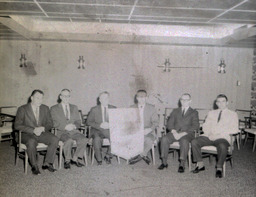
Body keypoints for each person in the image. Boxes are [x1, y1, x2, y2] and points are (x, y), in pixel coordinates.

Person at [191, 94, 239, 178]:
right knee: (194, 141)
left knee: (222, 146)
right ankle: (200, 164)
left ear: (227, 103)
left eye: (223, 101)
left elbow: (235, 129)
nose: (221, 104)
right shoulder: (211, 113)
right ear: (216, 103)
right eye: (219, 102)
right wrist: (209, 133)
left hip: (222, 137)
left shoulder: (233, 114)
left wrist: (219, 134)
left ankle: (219, 168)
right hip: (209, 136)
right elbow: (205, 126)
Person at [14, 89, 59, 175]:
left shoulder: (45, 108)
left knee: (54, 139)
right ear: (32, 98)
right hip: (26, 134)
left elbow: (50, 123)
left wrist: (43, 128)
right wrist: (33, 130)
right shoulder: (22, 109)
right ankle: (34, 165)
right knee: (31, 141)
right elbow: (17, 125)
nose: (40, 100)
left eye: (41, 98)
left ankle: (47, 163)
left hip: (41, 133)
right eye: (37, 98)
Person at [158, 93, 199, 172]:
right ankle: (164, 162)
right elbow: (169, 124)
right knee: (164, 139)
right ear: (180, 101)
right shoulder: (175, 111)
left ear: (190, 101)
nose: (184, 102)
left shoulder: (194, 112)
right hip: (175, 132)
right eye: (182, 100)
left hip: (187, 134)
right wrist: (174, 132)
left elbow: (195, 126)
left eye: (186, 100)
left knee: (184, 141)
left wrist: (182, 134)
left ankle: (182, 164)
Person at [50, 89, 88, 169]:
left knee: (84, 139)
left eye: (68, 96)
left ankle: (75, 158)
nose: (66, 98)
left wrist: (74, 126)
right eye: (64, 96)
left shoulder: (74, 107)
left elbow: (78, 121)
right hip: (61, 132)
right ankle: (67, 160)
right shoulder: (54, 108)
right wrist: (64, 126)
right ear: (60, 97)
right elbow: (52, 123)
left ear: (70, 97)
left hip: (74, 131)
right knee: (69, 141)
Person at [129, 90, 159, 165]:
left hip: (148, 131)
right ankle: (144, 155)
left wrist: (149, 129)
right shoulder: (131, 108)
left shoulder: (152, 108)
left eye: (144, 97)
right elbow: (128, 122)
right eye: (140, 97)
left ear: (146, 98)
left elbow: (156, 122)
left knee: (149, 140)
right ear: (136, 98)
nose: (142, 99)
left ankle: (140, 156)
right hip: (136, 131)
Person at [86, 91, 116, 165]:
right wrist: (100, 125)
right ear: (99, 100)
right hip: (97, 130)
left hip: (109, 130)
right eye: (103, 98)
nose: (105, 100)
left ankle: (108, 156)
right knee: (96, 139)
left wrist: (110, 125)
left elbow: (118, 121)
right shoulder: (94, 109)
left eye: (107, 98)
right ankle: (99, 159)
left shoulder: (114, 108)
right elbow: (88, 122)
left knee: (116, 137)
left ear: (109, 99)